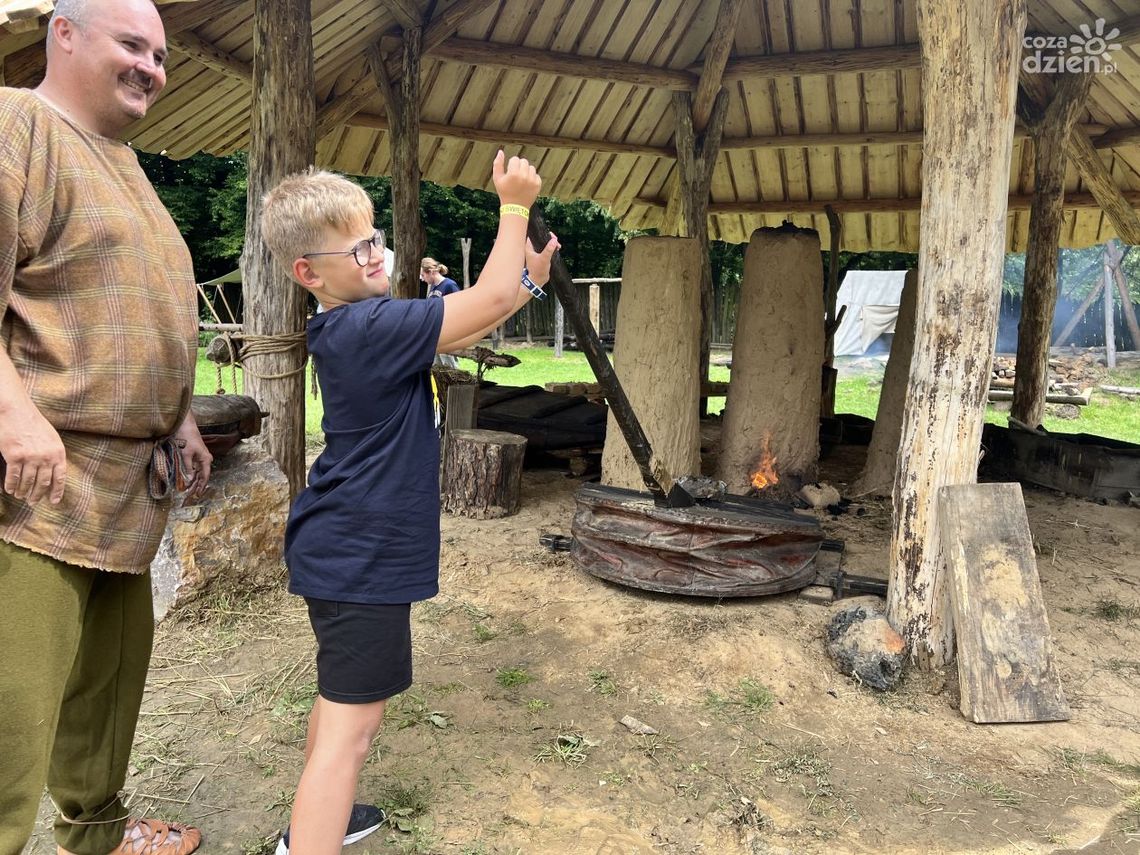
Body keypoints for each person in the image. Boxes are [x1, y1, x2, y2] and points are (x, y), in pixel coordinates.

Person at [259, 152, 558, 855]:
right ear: (310, 271)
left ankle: (314, 822)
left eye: (377, 238)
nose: (377, 254)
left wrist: (526, 284)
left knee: (340, 705)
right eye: (359, 246)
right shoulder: (369, 329)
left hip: (342, 546)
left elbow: (467, 324)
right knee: (352, 730)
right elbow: (479, 303)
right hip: (360, 555)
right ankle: (312, 838)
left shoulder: (362, 325)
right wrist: (513, 205)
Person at [0, 1, 212, 854]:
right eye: (132, 44)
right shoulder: (19, 123)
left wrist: (183, 415)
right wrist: (13, 412)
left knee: (105, 696)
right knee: (12, 715)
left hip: (132, 488)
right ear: (64, 33)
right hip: (38, 484)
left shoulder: (124, 158)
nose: (151, 68)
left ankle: (96, 835)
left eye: (158, 54)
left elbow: (132, 301)